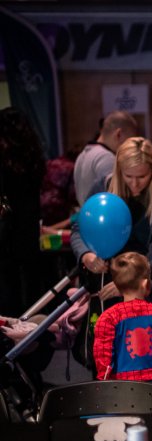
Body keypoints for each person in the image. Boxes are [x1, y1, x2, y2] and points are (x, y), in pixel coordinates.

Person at [73, 137, 152, 309]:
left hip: (149, 288)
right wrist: (86, 255)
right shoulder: (104, 186)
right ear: (119, 171)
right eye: (128, 176)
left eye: (142, 176)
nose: (135, 184)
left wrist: (129, 283)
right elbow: (79, 228)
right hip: (107, 284)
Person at [92, 252, 152, 386]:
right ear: (146, 284)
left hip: (122, 388)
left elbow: (103, 359)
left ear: (117, 286)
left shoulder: (108, 318)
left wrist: (105, 384)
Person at [0, 108, 46, 317]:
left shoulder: (4, 160)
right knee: (30, 276)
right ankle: (33, 327)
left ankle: (11, 329)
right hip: (28, 224)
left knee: (8, 281)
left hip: (8, 226)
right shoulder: (33, 155)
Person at [73, 111, 139, 205]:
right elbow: (116, 200)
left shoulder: (82, 155)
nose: (131, 147)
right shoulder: (107, 158)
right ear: (118, 134)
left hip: (87, 217)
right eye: (130, 141)